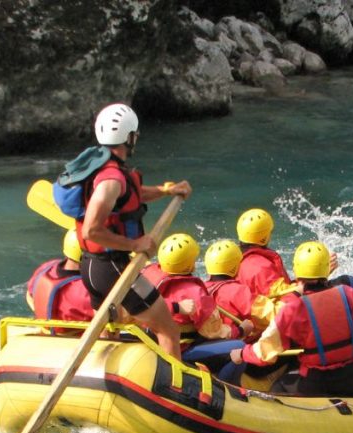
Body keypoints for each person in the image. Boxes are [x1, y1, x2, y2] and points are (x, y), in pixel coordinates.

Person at [75, 103, 192, 359]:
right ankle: (175, 382)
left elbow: (132, 196)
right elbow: (91, 230)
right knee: (169, 330)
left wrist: (167, 191)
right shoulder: (111, 179)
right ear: (128, 137)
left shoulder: (101, 168)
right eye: (135, 134)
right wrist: (135, 245)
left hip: (91, 266)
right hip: (112, 267)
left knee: (110, 330)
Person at [229, 241, 353, 397]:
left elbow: (266, 351)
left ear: (297, 271)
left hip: (317, 384)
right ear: (326, 269)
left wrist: (242, 354)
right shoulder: (348, 294)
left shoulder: (293, 309)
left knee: (278, 387)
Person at [142, 233, 249, 342]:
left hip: (149, 336)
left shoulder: (146, 274)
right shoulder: (195, 292)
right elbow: (212, 331)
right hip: (180, 344)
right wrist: (240, 330)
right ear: (191, 265)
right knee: (238, 345)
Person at [203, 239, 275, 342]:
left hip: (211, 341)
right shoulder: (237, 291)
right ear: (235, 266)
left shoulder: (202, 289)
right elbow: (269, 315)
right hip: (237, 342)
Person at [26, 229, 94, 328]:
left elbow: (29, 294)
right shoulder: (86, 291)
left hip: (45, 329)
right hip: (76, 335)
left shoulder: (47, 267)